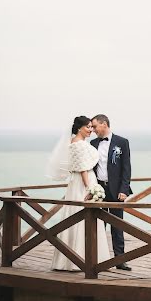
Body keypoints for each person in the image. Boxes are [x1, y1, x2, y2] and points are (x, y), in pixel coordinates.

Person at [49, 116, 110, 271]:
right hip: (84, 181)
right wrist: (90, 188)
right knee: (83, 216)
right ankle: (83, 258)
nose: (91, 130)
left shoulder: (75, 142)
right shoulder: (79, 144)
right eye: (88, 127)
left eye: (92, 127)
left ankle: (72, 258)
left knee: (75, 216)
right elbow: (83, 168)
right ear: (79, 128)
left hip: (78, 181)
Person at [91, 114, 132, 271]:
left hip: (116, 191)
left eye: (95, 126)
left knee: (117, 225)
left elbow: (126, 168)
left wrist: (124, 190)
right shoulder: (93, 143)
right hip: (99, 189)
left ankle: (120, 260)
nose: (93, 130)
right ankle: (98, 259)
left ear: (104, 124)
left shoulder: (122, 142)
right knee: (99, 225)